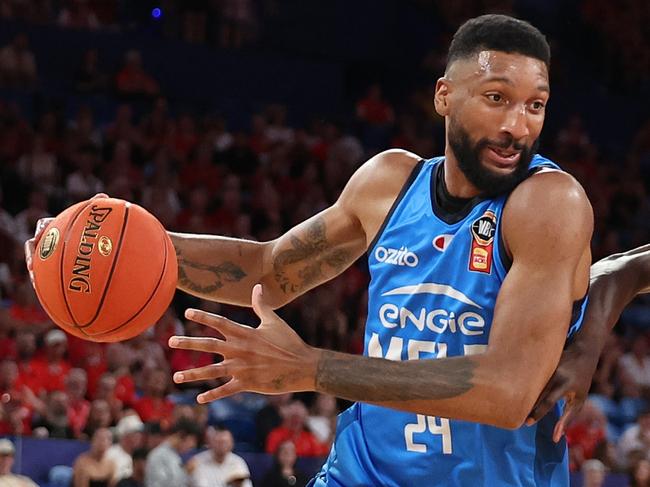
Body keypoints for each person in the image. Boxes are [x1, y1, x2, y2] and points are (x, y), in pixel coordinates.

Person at [23, 13, 596, 486]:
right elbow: (268, 272)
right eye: (496, 98)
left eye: (535, 106)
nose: (516, 126)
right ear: (444, 97)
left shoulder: (549, 204)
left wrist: (313, 368)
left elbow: (507, 391)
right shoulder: (388, 184)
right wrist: (118, 247)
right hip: (362, 472)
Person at [144, 417, 202, 487]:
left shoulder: (175, 456)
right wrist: (186, 472)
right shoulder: (158, 455)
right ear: (181, 435)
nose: (190, 448)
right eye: (191, 441)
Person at [105, 414, 145, 483]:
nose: (139, 437)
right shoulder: (110, 454)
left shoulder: (142, 454)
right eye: (135, 434)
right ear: (125, 436)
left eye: (140, 434)